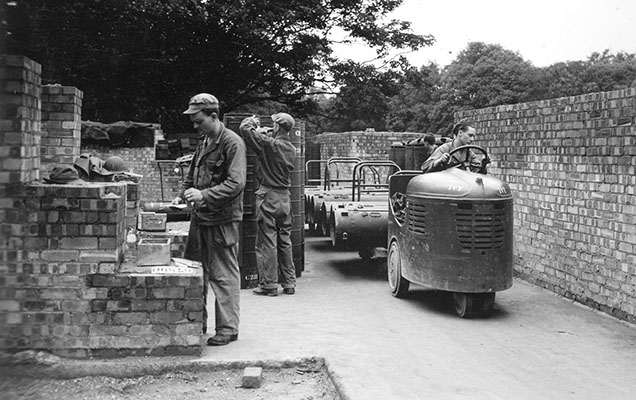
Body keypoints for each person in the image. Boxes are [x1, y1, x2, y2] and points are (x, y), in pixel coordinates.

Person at [171, 93, 247, 346]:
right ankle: (198, 323)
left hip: (222, 220)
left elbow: (236, 183)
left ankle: (228, 329)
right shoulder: (204, 141)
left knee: (222, 274)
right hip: (200, 217)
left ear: (214, 116)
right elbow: (192, 173)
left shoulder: (232, 143)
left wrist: (204, 195)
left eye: (198, 121)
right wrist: (182, 195)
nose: (195, 126)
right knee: (197, 272)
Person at [239, 113, 296, 297]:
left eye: (273, 124)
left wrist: (254, 123)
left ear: (278, 127)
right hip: (285, 198)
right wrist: (269, 131)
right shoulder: (291, 148)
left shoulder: (270, 145)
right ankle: (289, 283)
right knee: (285, 241)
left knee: (267, 241)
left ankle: (269, 285)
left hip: (268, 197)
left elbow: (245, 129)